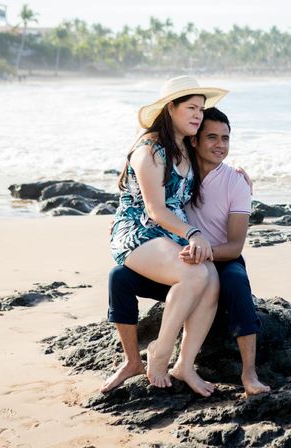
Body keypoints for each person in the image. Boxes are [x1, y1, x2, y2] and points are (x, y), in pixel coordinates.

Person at [103, 106, 271, 397]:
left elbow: (235, 245)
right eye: (212, 137)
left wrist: (241, 180)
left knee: (224, 281)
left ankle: (211, 368)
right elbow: (151, 202)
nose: (220, 145)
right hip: (166, 240)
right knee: (119, 277)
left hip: (203, 249)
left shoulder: (219, 172)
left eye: (226, 139)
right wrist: (192, 238)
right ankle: (142, 358)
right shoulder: (165, 153)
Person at [108, 75, 228, 397]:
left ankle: (185, 364)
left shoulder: (186, 147)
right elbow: (155, 209)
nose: (198, 116)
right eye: (191, 108)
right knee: (192, 274)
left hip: (171, 234)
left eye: (201, 109)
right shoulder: (149, 151)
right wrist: (194, 234)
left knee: (211, 279)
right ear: (170, 108)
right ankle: (160, 352)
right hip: (138, 231)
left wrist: (239, 179)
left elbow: (212, 170)